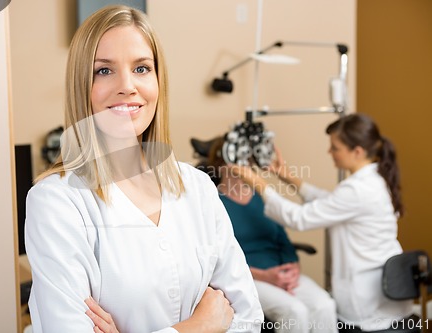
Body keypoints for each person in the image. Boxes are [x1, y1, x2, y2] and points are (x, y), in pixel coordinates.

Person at [24, 5, 263, 333]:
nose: (127, 86)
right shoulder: (55, 202)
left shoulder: (198, 187)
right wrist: (200, 326)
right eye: (104, 71)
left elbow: (248, 319)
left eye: (141, 68)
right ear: (81, 86)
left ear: (158, 81)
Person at [231, 113, 414, 332]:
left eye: (335, 148)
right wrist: (287, 176)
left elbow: (298, 218)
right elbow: (331, 203)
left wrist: (259, 183)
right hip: (385, 288)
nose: (330, 152)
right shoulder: (372, 180)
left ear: (357, 151)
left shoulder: (358, 189)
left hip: (369, 298)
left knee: (315, 307)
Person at [206, 137, 338, 333]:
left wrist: (293, 267)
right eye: (237, 160)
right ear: (221, 164)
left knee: (325, 305)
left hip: (281, 274)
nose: (244, 166)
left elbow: (282, 238)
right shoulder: (214, 203)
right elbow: (218, 261)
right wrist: (265, 276)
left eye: (247, 160)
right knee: (295, 312)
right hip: (251, 277)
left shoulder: (263, 199)